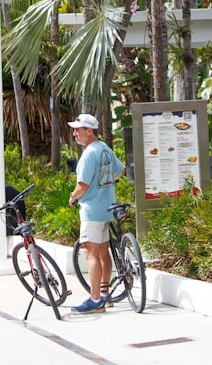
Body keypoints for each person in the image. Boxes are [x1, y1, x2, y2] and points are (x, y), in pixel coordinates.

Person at [67, 113, 125, 314]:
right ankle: (105, 294)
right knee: (103, 251)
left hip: (91, 211)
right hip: (107, 207)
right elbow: (120, 170)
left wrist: (73, 197)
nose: (75, 134)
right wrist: (106, 183)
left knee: (90, 253)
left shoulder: (89, 154)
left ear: (88, 131)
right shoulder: (105, 149)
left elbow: (82, 185)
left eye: (77, 130)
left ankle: (94, 300)